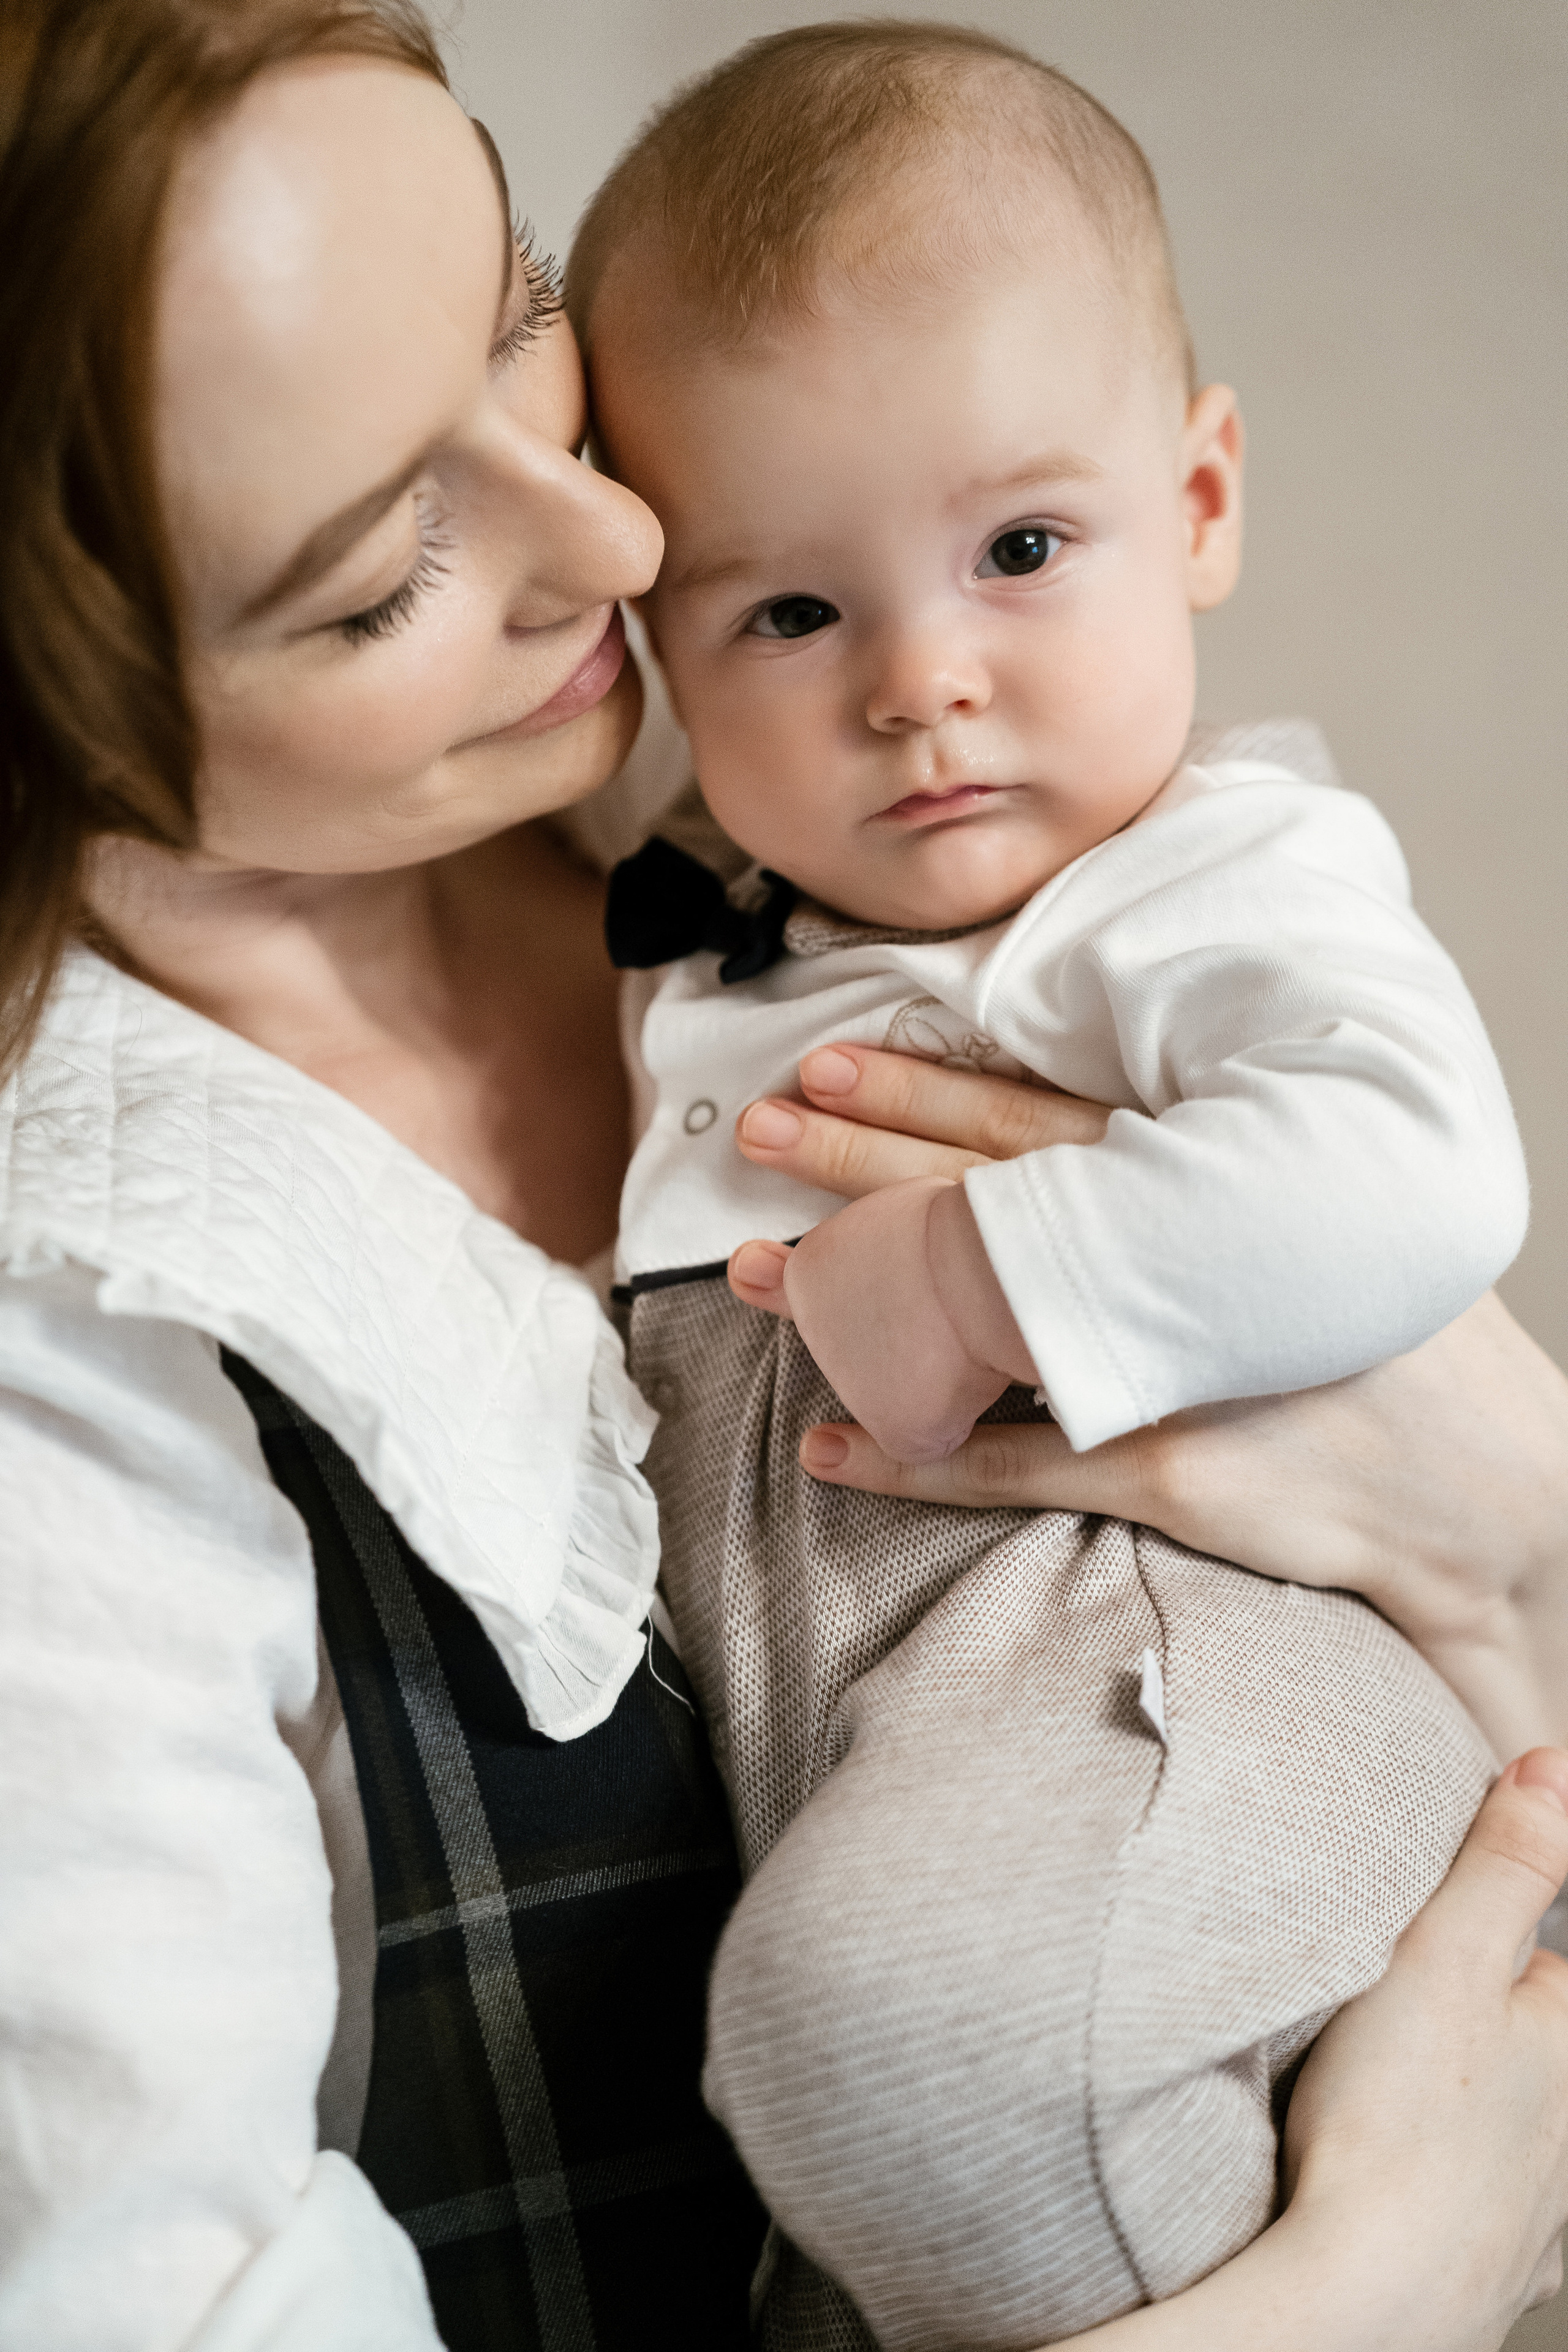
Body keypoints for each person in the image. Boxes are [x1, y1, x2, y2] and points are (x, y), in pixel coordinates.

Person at [1, 4, 1567, 2350]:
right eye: (369, 569)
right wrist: (1368, 2293)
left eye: (514, 306)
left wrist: (1516, 1526)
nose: (626, 536)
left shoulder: (825, 867)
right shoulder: (73, 1368)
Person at [563, 26, 1539, 2343]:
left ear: (1198, 505)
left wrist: (1001, 1263)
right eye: (787, 613)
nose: (924, 683)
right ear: (650, 641)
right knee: (855, 2182)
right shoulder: (709, 906)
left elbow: (1417, 1169)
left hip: (1183, 1666)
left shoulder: (1201, 883)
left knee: (899, 2050)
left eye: (1021, 549)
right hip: (919, 1730)